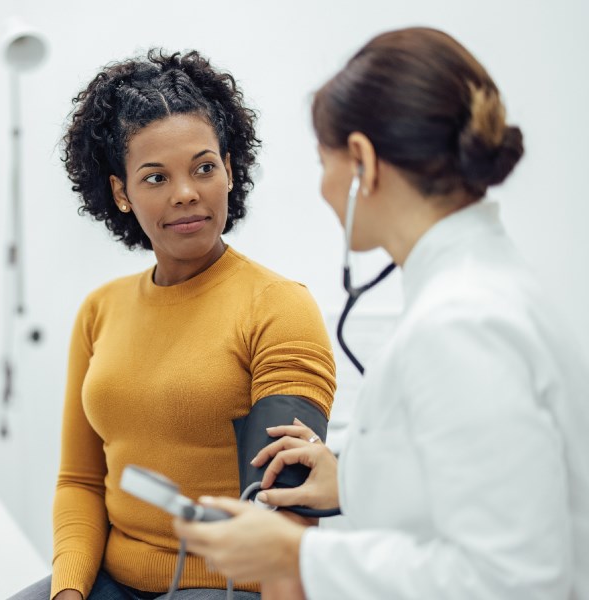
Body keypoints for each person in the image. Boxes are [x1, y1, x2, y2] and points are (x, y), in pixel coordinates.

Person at [174, 27, 589, 599]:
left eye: (325, 162)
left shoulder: (462, 324)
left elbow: (515, 581)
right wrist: (356, 479)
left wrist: (298, 554)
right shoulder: (481, 291)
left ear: (363, 161)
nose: (322, 188)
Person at [9, 49, 336, 600]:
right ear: (120, 192)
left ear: (230, 171)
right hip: (112, 581)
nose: (185, 192)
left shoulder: (278, 307)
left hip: (227, 586)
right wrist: (67, 592)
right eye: (156, 176)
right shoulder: (100, 311)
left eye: (204, 168)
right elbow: (81, 482)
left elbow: (286, 514)